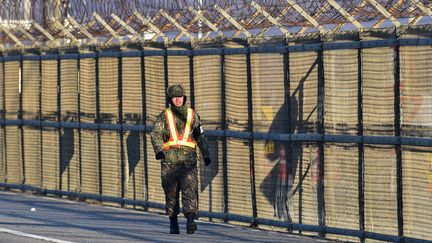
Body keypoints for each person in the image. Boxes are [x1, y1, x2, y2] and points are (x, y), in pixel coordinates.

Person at [151, 83, 212, 234]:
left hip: (188, 162)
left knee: (190, 190)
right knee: (171, 193)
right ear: (170, 100)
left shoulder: (192, 115)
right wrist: (159, 150)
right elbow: (156, 134)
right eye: (174, 98)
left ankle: (191, 220)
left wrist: (206, 154)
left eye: (180, 97)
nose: (178, 100)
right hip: (169, 162)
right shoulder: (164, 116)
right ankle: (173, 222)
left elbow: (200, 136)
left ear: (184, 98)